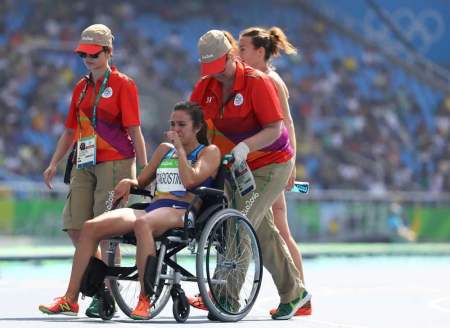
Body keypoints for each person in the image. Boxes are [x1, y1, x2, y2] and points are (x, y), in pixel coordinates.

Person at [38, 101, 221, 320]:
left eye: (182, 125)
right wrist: (129, 181)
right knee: (90, 227)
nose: (175, 129)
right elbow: (141, 181)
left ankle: (145, 299)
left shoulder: (210, 152)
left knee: (143, 223)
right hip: (154, 209)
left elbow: (190, 180)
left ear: (197, 128)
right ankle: (70, 299)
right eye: (172, 124)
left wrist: (180, 150)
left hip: (182, 210)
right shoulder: (165, 150)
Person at [189, 29, 310, 320]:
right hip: (238, 167)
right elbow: (193, 125)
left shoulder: (259, 82)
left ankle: (225, 296)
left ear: (231, 56)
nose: (213, 76)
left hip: (271, 162)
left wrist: (245, 146)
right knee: (261, 230)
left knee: (239, 224)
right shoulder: (205, 85)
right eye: (208, 70)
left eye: (218, 68)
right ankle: (295, 293)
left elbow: (276, 128)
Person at [42, 23, 147, 317]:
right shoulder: (80, 87)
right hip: (83, 161)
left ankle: (91, 297)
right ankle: (99, 289)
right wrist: (54, 162)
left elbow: (135, 132)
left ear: (108, 52)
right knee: (76, 227)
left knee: (107, 233)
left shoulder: (124, 84)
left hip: (116, 161)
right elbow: (69, 131)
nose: (87, 60)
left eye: (93, 54)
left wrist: (141, 173)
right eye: (83, 55)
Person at [238, 26, 311, 316]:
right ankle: (300, 295)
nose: (237, 54)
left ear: (260, 52)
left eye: (242, 49)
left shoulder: (271, 80)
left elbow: (287, 123)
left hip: (274, 163)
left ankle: (300, 293)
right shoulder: (254, 79)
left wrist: (292, 162)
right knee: (276, 229)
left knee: (279, 228)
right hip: (261, 163)